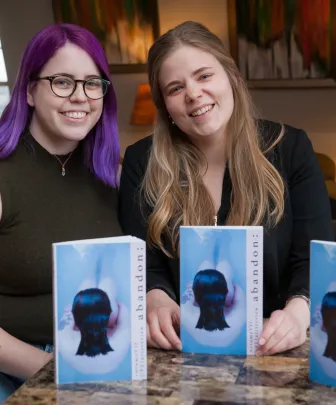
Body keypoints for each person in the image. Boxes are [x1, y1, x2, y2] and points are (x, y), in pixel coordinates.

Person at [119, 21, 334, 355]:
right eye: (175, 88)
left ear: (232, 77)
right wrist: (154, 297)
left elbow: (315, 258)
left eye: (204, 76)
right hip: (179, 349)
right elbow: (141, 260)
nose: (192, 93)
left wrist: (298, 312)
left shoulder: (292, 148)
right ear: (165, 107)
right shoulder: (140, 161)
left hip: (276, 348)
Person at [0, 23, 122, 402]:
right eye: (63, 82)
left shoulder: (113, 174)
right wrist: (52, 371)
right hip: (15, 368)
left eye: (91, 83)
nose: (81, 97)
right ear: (31, 91)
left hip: (104, 357)